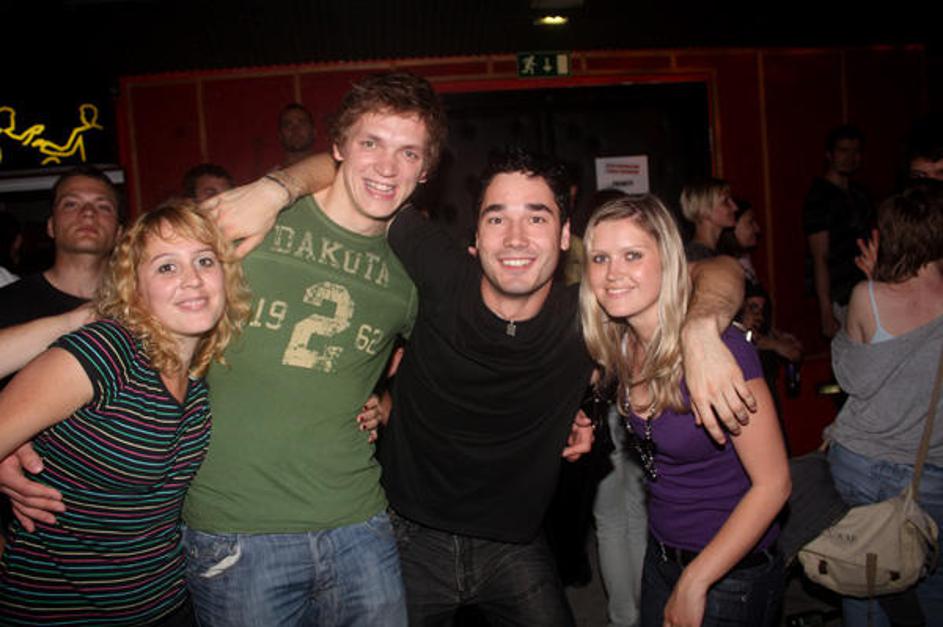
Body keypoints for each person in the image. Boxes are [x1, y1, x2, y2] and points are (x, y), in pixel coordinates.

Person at [0, 200, 250, 625]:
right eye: (167, 267)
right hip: (60, 611)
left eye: (205, 261)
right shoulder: (107, 350)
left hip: (168, 605)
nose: (192, 279)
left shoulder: (199, 377)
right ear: (135, 289)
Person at [581, 195, 791, 627]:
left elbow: (774, 485)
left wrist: (695, 582)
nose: (612, 273)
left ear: (669, 262)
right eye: (600, 258)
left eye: (632, 255)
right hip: (661, 554)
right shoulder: (623, 345)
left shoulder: (721, 352)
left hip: (728, 574)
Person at [824, 181, 943, 627]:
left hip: (860, 462)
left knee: (864, 577)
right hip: (929, 470)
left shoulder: (867, 296)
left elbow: (850, 375)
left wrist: (874, 283)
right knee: (931, 582)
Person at [803, 124, 872, 338]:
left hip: (866, 284)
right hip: (840, 292)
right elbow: (820, 256)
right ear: (830, 155)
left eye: (855, 152)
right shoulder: (819, 197)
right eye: (843, 151)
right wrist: (826, 310)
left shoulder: (859, 194)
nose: (850, 158)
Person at [680, 177, 737, 262]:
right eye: (725, 202)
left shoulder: (715, 252)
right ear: (704, 209)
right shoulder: (696, 256)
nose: (735, 207)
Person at [278, 102, 317, 167]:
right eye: (288, 125)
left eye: (302, 124)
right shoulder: (273, 173)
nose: (295, 129)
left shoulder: (331, 170)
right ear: (280, 135)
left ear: (314, 132)